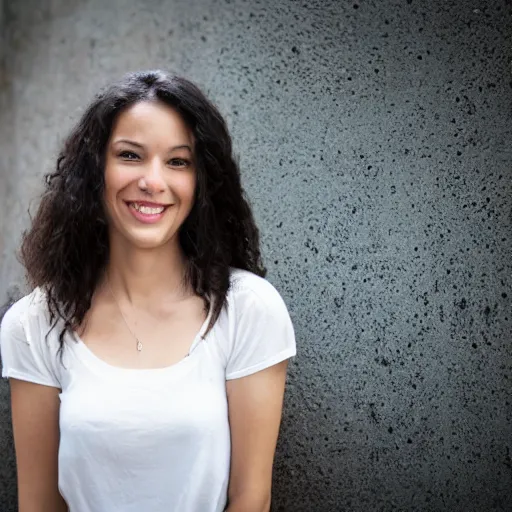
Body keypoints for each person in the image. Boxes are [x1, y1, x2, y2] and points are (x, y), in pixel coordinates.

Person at [0, 70, 296, 512]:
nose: (153, 181)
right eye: (130, 155)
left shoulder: (249, 311)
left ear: (201, 182)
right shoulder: (34, 323)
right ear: (95, 169)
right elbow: (39, 504)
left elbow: (250, 498)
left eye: (178, 161)